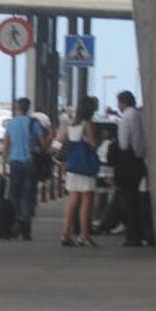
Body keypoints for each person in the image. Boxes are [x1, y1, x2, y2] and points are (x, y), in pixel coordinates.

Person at [2, 97, 47, 241]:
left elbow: (6, 144)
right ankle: (26, 229)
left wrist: (4, 164)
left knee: (14, 194)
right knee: (27, 196)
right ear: (28, 108)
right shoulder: (34, 123)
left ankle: (15, 222)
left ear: (17, 108)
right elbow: (43, 143)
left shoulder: (11, 123)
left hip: (14, 162)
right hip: (30, 162)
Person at [60, 96, 99, 247]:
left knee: (73, 199)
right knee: (87, 200)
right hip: (85, 166)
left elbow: (62, 141)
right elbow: (94, 144)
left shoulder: (71, 124)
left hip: (73, 165)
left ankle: (65, 233)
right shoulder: (87, 123)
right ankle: (84, 235)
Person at [116, 90, 148, 246]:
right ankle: (135, 232)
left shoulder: (128, 116)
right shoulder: (136, 114)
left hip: (129, 159)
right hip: (135, 159)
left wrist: (137, 155)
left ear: (123, 102)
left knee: (130, 199)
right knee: (133, 198)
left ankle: (133, 234)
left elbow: (126, 142)